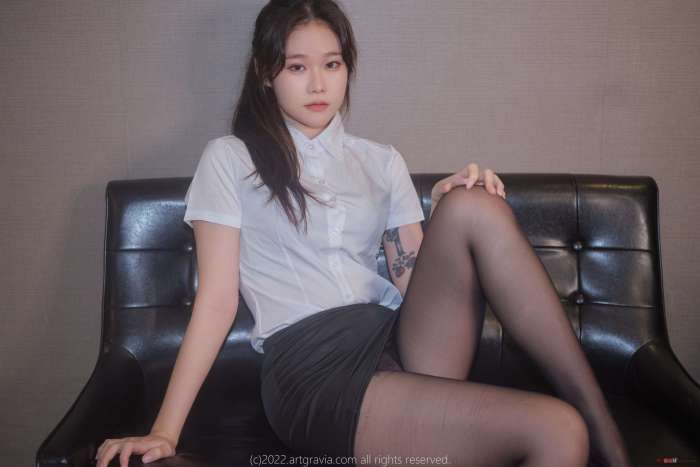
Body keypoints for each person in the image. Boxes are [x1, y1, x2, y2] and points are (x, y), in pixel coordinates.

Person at [96, 1, 633, 466]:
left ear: (347, 67)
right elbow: (217, 301)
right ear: (265, 72)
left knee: (472, 203)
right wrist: (165, 431)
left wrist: (446, 214)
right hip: (313, 367)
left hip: (393, 335)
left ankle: (601, 422)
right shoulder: (231, 159)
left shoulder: (381, 162)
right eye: (297, 67)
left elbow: (412, 282)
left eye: (331, 64)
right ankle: (605, 440)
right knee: (558, 430)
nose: (318, 84)